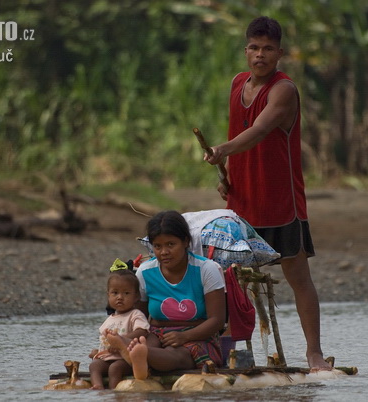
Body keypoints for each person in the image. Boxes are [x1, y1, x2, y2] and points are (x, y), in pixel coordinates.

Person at [203, 16, 331, 371]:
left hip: (280, 202)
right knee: (229, 280)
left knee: (297, 276)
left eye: (268, 49)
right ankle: (234, 353)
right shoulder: (236, 84)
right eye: (254, 48)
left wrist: (223, 150)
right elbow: (238, 129)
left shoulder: (283, 90)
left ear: (280, 53)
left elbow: (259, 131)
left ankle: (314, 354)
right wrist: (226, 173)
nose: (260, 55)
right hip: (241, 199)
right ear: (246, 51)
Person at [106, 210, 226, 380]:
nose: (164, 252)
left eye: (171, 244)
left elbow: (217, 320)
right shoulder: (145, 271)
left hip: (199, 335)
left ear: (185, 241)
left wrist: (184, 336)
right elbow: (138, 316)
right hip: (156, 332)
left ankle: (138, 353)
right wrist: (132, 337)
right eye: (157, 246)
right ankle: (136, 351)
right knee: (142, 346)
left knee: (174, 355)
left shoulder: (206, 269)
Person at [88, 269, 150, 389]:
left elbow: (142, 331)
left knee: (114, 368)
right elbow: (105, 341)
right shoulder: (109, 320)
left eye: (126, 293)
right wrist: (97, 352)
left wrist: (121, 340)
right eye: (115, 293)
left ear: (136, 297)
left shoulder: (135, 314)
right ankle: (97, 385)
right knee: (94, 366)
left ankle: (115, 392)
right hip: (108, 358)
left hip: (126, 359)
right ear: (108, 295)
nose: (120, 297)